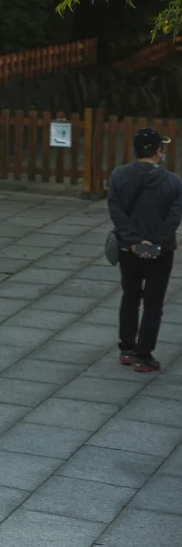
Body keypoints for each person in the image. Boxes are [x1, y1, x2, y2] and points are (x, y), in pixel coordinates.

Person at [109, 127, 182, 373]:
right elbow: (174, 216)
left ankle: (126, 348)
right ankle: (144, 355)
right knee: (153, 302)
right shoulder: (172, 181)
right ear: (159, 151)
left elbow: (116, 210)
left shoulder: (119, 176)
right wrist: (157, 242)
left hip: (128, 249)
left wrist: (133, 241)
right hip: (161, 251)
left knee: (130, 295)